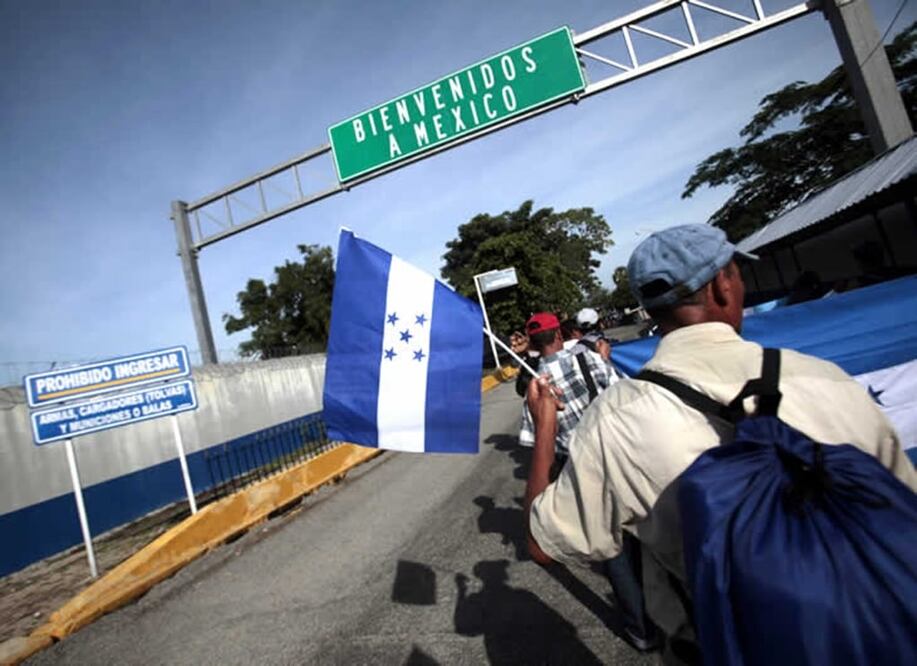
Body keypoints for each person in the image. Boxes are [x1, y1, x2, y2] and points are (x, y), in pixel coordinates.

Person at [523, 224, 917, 662]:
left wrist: (545, 425)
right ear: (722, 287)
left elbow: (544, 545)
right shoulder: (823, 378)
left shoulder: (614, 421)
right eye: (737, 272)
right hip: (885, 626)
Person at [517, 312, 656, 651]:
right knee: (648, 534)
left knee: (611, 548)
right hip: (616, 454)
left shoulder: (536, 385)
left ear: (535, 344)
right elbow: (624, 393)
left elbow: (530, 440)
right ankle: (668, 613)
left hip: (577, 469)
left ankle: (641, 630)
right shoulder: (591, 358)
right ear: (560, 335)